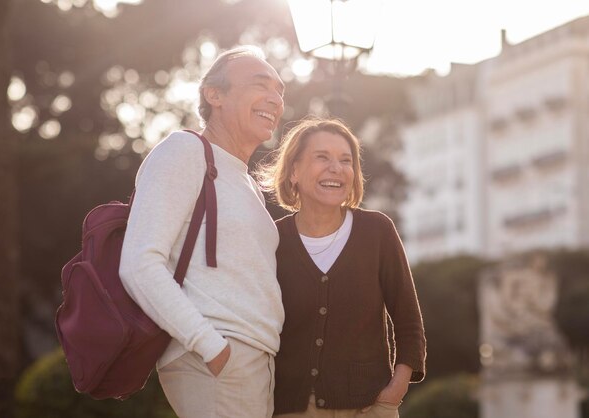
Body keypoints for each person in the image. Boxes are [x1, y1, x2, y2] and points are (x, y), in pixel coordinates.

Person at [119, 45, 286, 418]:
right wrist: (209, 346)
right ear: (215, 95)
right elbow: (139, 262)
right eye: (261, 85)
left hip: (250, 360)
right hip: (219, 358)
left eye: (280, 91)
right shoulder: (184, 151)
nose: (275, 99)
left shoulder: (246, 183)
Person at [259, 118, 426, 418]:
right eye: (322, 157)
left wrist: (391, 396)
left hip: (369, 406)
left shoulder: (377, 232)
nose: (336, 168)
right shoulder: (272, 239)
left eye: (345, 160)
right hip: (292, 410)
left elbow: (409, 324)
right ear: (294, 171)